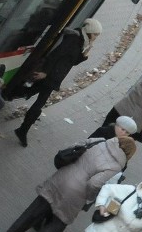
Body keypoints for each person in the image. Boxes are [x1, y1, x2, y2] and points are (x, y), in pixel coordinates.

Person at [4, 136, 136, 232]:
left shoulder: (100, 141)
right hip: (76, 194)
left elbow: (75, 145)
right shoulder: (116, 166)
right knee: (58, 223)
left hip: (61, 177)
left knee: (37, 207)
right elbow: (94, 183)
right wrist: (89, 196)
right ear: (129, 155)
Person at [15, 18, 103, 147]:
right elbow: (56, 55)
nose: (95, 37)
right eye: (95, 34)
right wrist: (45, 72)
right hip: (51, 75)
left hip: (55, 75)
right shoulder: (74, 40)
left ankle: (20, 119)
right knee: (39, 103)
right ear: (89, 31)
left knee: (28, 91)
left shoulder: (81, 41)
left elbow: (73, 61)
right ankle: (23, 129)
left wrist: (86, 52)